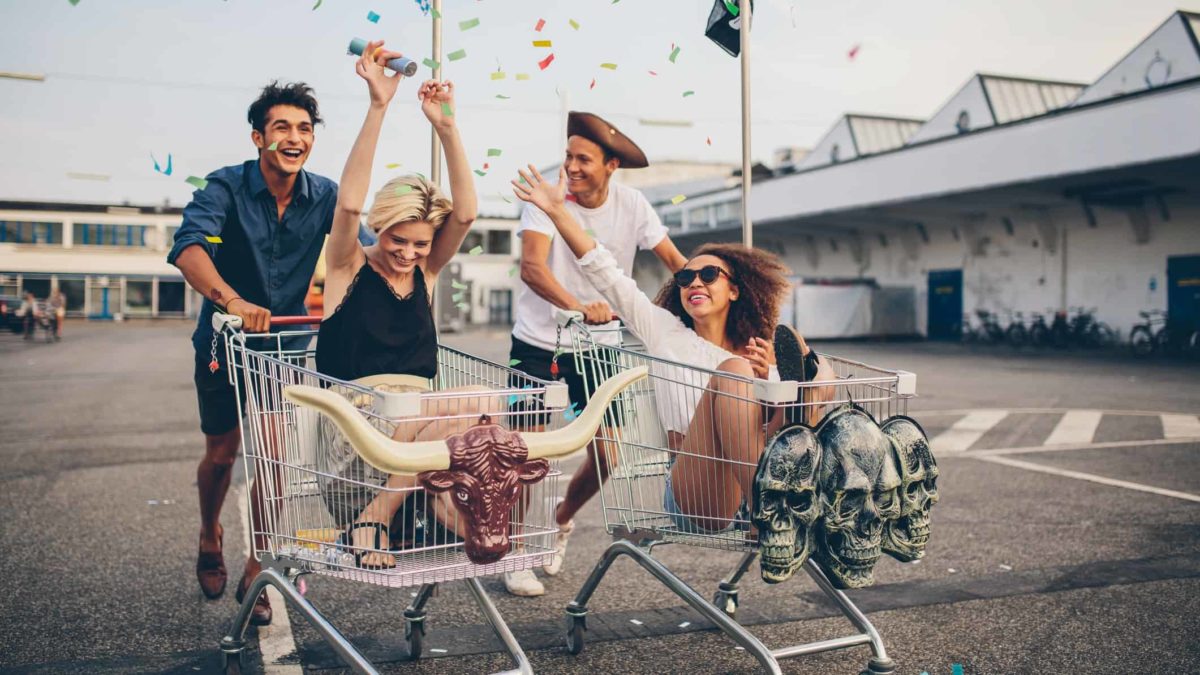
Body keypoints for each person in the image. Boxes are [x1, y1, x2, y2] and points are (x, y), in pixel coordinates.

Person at [512, 163, 835, 535]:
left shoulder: (759, 352)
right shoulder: (666, 333)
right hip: (700, 494)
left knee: (817, 375)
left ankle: (779, 496)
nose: (694, 281)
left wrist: (766, 385)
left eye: (709, 275)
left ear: (734, 290)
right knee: (733, 373)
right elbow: (605, 272)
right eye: (685, 277)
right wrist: (555, 211)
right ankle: (771, 515)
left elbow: (768, 436)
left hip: (757, 475)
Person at [168, 80, 369, 626]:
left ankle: (257, 570)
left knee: (276, 461)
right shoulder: (225, 189)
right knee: (222, 455)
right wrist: (232, 299)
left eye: (304, 129)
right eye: (282, 127)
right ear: (259, 136)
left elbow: (366, 248)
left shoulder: (324, 195)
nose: (294, 137)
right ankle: (210, 531)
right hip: (224, 342)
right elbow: (188, 248)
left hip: (281, 347)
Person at [314, 41, 498, 578]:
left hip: (420, 439)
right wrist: (378, 105)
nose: (409, 253)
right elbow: (348, 204)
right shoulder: (348, 267)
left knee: (474, 403)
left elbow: (465, 213)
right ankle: (370, 517)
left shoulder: (425, 273)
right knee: (457, 407)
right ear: (382, 227)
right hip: (358, 432)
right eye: (399, 239)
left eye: (421, 244)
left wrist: (447, 128)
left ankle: (384, 517)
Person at [508, 111, 687, 590]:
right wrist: (576, 306)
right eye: (568, 155)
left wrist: (705, 293)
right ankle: (517, 552)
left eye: (583, 158)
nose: (571, 166)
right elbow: (532, 268)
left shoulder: (632, 204)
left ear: (611, 165)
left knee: (609, 451)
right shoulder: (548, 197)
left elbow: (674, 262)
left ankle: (561, 520)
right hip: (538, 340)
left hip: (598, 346)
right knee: (526, 451)